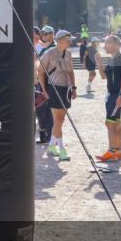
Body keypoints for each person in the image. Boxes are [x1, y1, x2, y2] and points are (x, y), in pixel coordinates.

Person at [38, 29, 76, 161]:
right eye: (67, 40)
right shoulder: (49, 53)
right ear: (59, 41)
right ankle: (62, 149)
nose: (70, 42)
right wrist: (44, 90)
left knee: (61, 120)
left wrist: (74, 87)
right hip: (54, 88)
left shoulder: (69, 53)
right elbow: (40, 72)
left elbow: (71, 71)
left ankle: (51, 146)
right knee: (58, 120)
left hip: (66, 89)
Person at [96, 35, 121, 162]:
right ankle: (118, 152)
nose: (104, 46)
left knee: (109, 122)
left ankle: (112, 151)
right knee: (116, 123)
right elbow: (103, 76)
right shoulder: (111, 60)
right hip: (111, 95)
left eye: (107, 43)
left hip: (118, 94)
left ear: (116, 45)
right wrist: (99, 63)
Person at [34, 26, 55, 144]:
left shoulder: (54, 48)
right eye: (42, 34)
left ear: (52, 34)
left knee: (48, 110)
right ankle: (44, 134)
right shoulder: (43, 48)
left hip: (49, 82)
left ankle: (49, 136)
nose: (43, 36)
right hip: (40, 81)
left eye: (46, 34)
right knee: (40, 109)